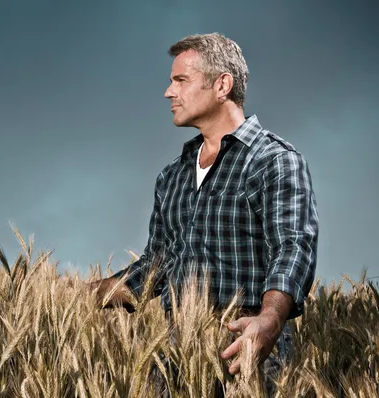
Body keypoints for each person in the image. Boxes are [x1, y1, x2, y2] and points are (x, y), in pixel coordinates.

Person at [89, 32, 319, 395]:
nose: (169, 92)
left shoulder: (274, 161)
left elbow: (292, 247)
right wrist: (94, 294)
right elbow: (160, 262)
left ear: (222, 85)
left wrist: (271, 318)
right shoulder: (172, 176)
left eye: (181, 80)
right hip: (174, 352)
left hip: (245, 343)